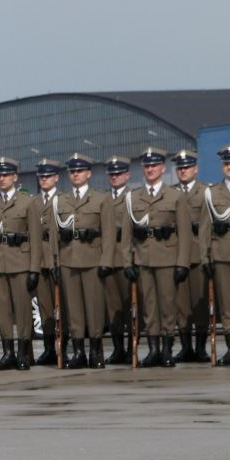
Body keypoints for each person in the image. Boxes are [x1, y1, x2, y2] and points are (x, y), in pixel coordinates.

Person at [126, 146, 192, 367]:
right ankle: (153, 349)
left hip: (167, 257)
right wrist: (128, 261)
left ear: (163, 168)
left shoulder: (175, 196)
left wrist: (182, 262)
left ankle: (166, 349)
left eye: (154, 165)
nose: (150, 169)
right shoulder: (133, 197)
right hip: (144, 258)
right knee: (149, 306)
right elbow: (128, 236)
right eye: (147, 166)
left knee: (168, 304)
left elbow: (184, 234)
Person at [52, 154, 116, 367]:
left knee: (94, 308)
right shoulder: (61, 200)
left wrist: (107, 260)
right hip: (69, 259)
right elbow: (54, 235)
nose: (75, 174)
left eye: (79, 171)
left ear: (88, 173)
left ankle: (95, 351)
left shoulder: (101, 198)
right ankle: (78, 351)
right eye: (72, 171)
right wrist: (55, 262)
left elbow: (108, 233)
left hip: (93, 259)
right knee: (74, 310)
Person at [0, 157, 38, 371]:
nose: (2, 179)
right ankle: (8, 352)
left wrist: (34, 268)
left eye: (6, 175)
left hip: (21, 261)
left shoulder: (28, 202)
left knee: (23, 310)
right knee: (2, 311)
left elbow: (34, 237)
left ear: (15, 177)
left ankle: (23, 351)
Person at [172, 150, 211, 361]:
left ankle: (201, 348)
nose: (183, 171)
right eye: (180, 168)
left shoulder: (205, 192)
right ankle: (185, 346)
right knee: (181, 304)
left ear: (195, 169)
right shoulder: (171, 193)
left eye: (186, 167)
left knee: (200, 303)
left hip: (197, 254)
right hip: (177, 255)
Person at [29, 162, 63, 365]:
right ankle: (49, 347)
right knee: (45, 307)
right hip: (39, 259)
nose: (44, 179)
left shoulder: (63, 200)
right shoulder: (34, 203)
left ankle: (64, 346)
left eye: (48, 176)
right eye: (41, 177)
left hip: (57, 258)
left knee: (63, 306)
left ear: (56, 178)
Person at [103, 156, 135, 364]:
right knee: (112, 307)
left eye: (119, 173)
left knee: (129, 306)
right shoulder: (104, 199)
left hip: (127, 258)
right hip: (108, 258)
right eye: (112, 174)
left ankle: (132, 348)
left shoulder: (134, 197)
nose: (115, 177)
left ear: (127, 175)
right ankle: (117, 349)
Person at [206, 145, 230, 366]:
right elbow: (206, 228)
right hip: (222, 252)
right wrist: (206, 257)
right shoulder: (212, 193)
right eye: (226, 163)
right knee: (227, 304)